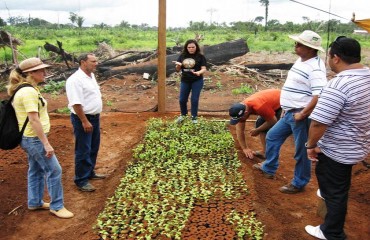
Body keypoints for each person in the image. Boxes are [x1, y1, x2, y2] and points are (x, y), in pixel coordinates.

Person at [304, 37, 370, 240]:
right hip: (358, 145)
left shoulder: (339, 85)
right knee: (338, 187)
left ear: (336, 58)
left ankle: (331, 232)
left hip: (336, 151)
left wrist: (311, 145)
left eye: (329, 57)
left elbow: (318, 123)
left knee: (335, 192)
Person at [253, 30, 327, 193]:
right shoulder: (301, 60)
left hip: (300, 114)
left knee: (301, 150)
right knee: (272, 136)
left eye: (299, 44)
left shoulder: (315, 68)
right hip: (290, 112)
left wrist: (303, 114)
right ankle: (269, 167)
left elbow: (319, 95)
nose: (296, 46)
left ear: (309, 48)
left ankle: (299, 182)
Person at [7, 58, 74, 218]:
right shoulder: (28, 92)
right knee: (54, 170)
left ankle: (35, 202)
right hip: (34, 139)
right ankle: (57, 206)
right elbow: (34, 119)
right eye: (41, 70)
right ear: (30, 73)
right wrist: (46, 143)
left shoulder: (28, 89)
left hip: (30, 138)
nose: (45, 73)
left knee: (36, 169)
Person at [66, 53, 106, 192]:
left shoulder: (91, 76)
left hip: (94, 117)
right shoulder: (75, 80)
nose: (96, 63)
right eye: (93, 61)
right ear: (83, 62)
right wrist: (84, 121)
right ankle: (81, 180)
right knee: (83, 149)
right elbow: (76, 103)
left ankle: (89, 172)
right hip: (83, 118)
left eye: (96, 61)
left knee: (93, 146)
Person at [229, 89, 282, 159]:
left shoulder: (259, 106)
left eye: (240, 119)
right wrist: (245, 148)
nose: (239, 121)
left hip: (281, 103)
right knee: (260, 123)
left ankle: (270, 158)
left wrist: (257, 130)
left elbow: (273, 121)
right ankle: (265, 152)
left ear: (245, 113)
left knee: (272, 132)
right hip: (268, 102)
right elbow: (239, 130)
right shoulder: (241, 108)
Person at [174, 39, 207, 124]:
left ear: (196, 47)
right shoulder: (182, 56)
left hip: (197, 80)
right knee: (182, 99)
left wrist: (198, 73)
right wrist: (178, 65)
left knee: (194, 99)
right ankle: (183, 115)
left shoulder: (200, 56)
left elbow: (204, 69)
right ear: (186, 48)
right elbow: (177, 70)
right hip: (185, 80)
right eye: (189, 47)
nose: (191, 49)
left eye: (193, 47)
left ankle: (194, 118)